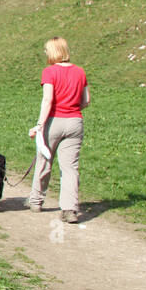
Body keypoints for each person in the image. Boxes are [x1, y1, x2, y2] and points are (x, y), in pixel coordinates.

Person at [27, 37, 90, 223]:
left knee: (44, 161)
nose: (46, 54)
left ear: (53, 51)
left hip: (54, 121)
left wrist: (39, 125)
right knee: (70, 168)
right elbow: (86, 100)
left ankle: (36, 201)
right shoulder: (80, 71)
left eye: (47, 51)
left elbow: (47, 100)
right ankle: (69, 209)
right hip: (75, 122)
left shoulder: (49, 72)